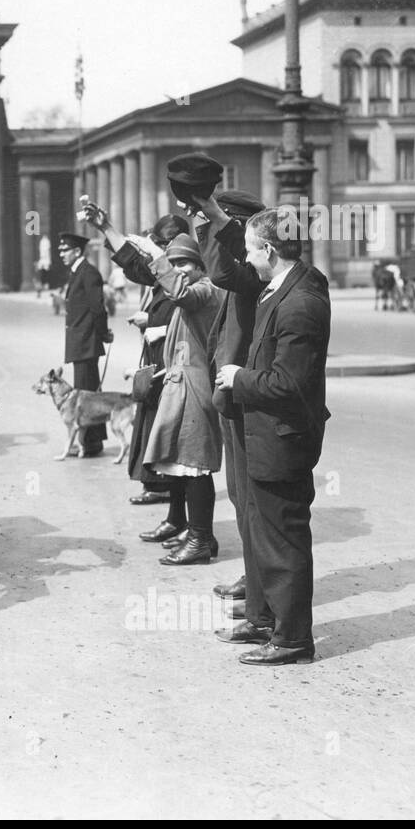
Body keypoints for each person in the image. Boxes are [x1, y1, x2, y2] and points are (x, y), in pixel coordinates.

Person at [214, 208, 331, 666]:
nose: (247, 259)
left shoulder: (300, 301)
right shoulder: (281, 288)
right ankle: (266, 622)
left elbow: (289, 384)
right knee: (265, 534)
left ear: (268, 249)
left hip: (284, 438)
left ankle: (293, 640)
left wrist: (239, 378)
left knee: (284, 541)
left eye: (249, 250)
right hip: (267, 434)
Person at [96, 211, 225, 564]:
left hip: (194, 391)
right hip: (179, 386)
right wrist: (108, 228)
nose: (179, 268)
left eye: (185, 262)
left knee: (194, 466)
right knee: (181, 464)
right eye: (175, 262)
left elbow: (180, 293)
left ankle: (200, 538)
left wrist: (158, 255)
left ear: (200, 266)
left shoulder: (205, 290)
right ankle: (196, 534)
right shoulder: (195, 290)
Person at [194, 189, 268, 603]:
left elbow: (221, 273)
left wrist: (212, 220)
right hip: (230, 393)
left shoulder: (252, 276)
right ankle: (253, 574)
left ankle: (260, 582)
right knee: (240, 497)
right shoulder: (242, 273)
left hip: (245, 394)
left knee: (250, 497)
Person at [95, 211, 187, 505]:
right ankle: (157, 483)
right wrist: (107, 227)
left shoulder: (185, 272)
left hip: (173, 358)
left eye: (160, 243)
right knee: (150, 415)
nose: (155, 250)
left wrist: (159, 326)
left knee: (164, 421)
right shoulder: (164, 269)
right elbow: (134, 266)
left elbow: (195, 311)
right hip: (156, 354)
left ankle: (167, 488)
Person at [56, 231, 110, 456]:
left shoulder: (88, 273)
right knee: (87, 394)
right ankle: (89, 441)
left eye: (64, 250)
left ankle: (91, 443)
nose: (61, 254)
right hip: (81, 343)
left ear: (77, 251)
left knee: (87, 395)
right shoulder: (79, 272)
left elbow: (98, 308)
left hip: (86, 343)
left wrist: (104, 334)